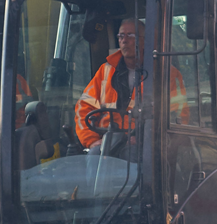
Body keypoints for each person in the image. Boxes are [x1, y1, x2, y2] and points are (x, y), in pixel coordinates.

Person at [74, 18, 188, 150]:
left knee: (134, 156)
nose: (124, 40)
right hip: (106, 143)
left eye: (130, 35)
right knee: (93, 157)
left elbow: (178, 116)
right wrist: (92, 141)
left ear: (146, 41)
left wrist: (145, 139)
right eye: (121, 36)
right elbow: (84, 108)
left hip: (145, 148)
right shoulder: (105, 71)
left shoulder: (167, 75)